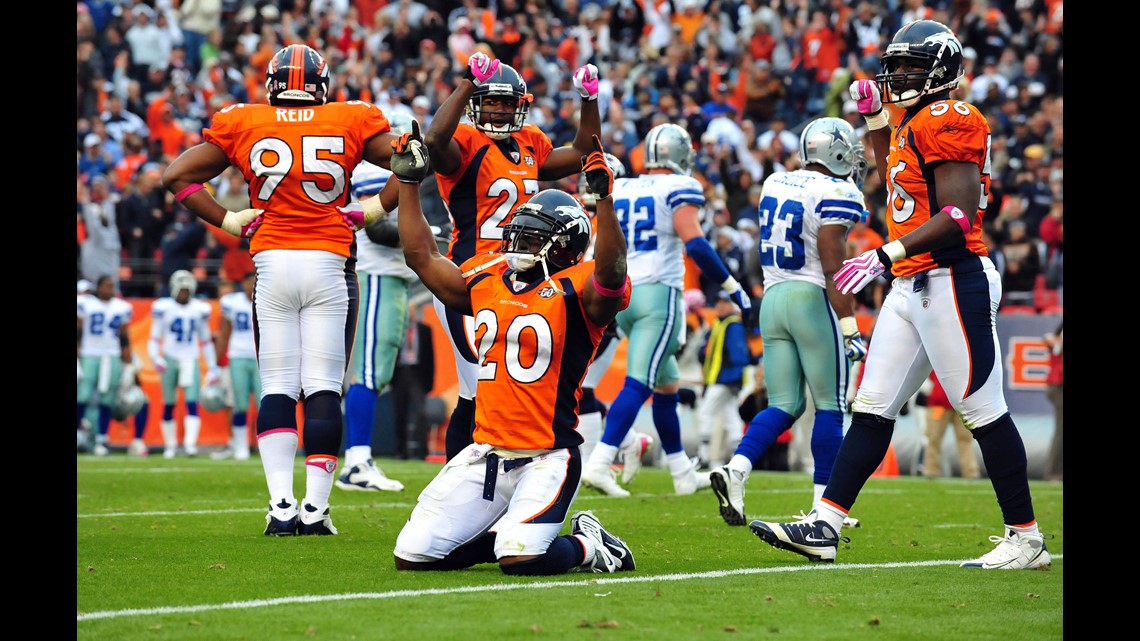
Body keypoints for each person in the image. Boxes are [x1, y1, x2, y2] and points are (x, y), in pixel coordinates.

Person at [750, 20, 1051, 570]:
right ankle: (825, 523)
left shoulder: (950, 117)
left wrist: (884, 254)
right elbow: (898, 172)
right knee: (871, 409)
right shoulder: (914, 121)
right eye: (896, 64)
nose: (897, 75)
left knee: (983, 410)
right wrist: (871, 123)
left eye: (910, 66)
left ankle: (1025, 537)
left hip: (951, 276)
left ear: (940, 71)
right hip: (911, 281)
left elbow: (956, 214)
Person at [162, 44, 410, 536]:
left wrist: (229, 219)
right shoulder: (351, 117)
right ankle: (315, 512)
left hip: (272, 264)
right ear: (322, 85)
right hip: (329, 263)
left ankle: (280, 508)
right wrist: (376, 209)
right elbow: (413, 160)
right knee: (321, 387)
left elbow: (177, 177)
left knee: (276, 386)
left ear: (272, 84)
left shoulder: (243, 120)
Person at [390, 128, 635, 576]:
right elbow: (421, 256)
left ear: (562, 246)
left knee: (523, 560)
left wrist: (604, 201)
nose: (516, 247)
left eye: (530, 238)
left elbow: (613, 275)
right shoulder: (488, 277)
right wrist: (408, 184)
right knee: (413, 555)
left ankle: (591, 546)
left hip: (547, 455)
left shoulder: (579, 290)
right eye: (516, 236)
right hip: (485, 453)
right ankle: (506, 536)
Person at [421, 53, 603, 461]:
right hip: (467, 280)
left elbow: (583, 151)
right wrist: (468, 80)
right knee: (475, 391)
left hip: (519, 279)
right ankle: (460, 491)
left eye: (508, 103)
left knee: (504, 389)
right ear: (475, 103)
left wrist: (589, 99)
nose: (500, 110)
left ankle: (513, 483)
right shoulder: (466, 142)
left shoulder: (530, 142)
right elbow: (433, 142)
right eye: (492, 101)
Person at [709, 117, 867, 527]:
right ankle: (823, 507)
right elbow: (834, 267)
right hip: (811, 297)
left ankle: (737, 469)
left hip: (772, 298)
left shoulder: (776, 181)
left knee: (785, 404)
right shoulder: (836, 190)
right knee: (830, 405)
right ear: (835, 153)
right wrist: (849, 324)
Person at [580, 123, 752, 498]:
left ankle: (681, 472)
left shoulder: (622, 185)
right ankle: (600, 462)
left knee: (666, 383)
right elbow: (697, 245)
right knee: (639, 381)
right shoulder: (679, 187)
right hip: (658, 295)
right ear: (681, 156)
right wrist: (731, 285)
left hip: (620, 293)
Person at [337, 151, 414, 492]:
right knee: (368, 371)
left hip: (393, 277)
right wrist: (421, 235)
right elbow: (377, 227)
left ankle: (359, 459)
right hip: (376, 274)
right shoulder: (372, 170)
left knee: (377, 372)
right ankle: (356, 461)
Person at [148, 269, 219, 459]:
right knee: (169, 403)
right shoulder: (164, 308)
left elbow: (205, 341)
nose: (184, 293)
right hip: (170, 358)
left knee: (192, 402)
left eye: (187, 290)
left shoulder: (199, 309)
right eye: (182, 290)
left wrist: (212, 367)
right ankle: (170, 446)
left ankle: (189, 445)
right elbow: (154, 337)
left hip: (190, 359)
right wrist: (156, 357)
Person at [696, 292, 759, 471]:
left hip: (725, 380)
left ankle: (704, 455)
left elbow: (739, 355)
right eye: (718, 302)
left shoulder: (732, 325)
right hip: (720, 379)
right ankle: (737, 460)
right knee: (731, 418)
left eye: (725, 302)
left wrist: (735, 379)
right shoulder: (720, 323)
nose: (720, 306)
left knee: (705, 412)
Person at [77, 275, 134, 456]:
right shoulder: (86, 303)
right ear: (99, 287)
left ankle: (102, 438)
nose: (110, 290)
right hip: (89, 353)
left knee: (107, 398)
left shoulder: (121, 307)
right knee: (83, 395)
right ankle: (79, 432)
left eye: (112, 286)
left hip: (111, 355)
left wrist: (128, 359)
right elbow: (78, 329)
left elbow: (124, 335)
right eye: (107, 286)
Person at [211, 270, 261, 461]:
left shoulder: (267, 300)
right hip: (238, 356)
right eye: (250, 282)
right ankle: (240, 446)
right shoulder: (232, 302)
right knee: (239, 404)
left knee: (263, 405)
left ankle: (262, 444)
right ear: (243, 284)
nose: (252, 286)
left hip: (260, 358)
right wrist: (215, 364)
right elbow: (224, 334)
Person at [922, 372, 980, 479]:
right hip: (941, 404)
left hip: (960, 404)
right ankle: (931, 471)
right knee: (933, 438)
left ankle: (970, 472)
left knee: (965, 439)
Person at [1042, 321, 1062, 482]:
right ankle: (1054, 474)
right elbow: (1049, 338)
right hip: (1058, 386)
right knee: (1061, 432)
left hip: (1056, 385)